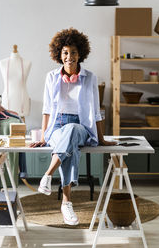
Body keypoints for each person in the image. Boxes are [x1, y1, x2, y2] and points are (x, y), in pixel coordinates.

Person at [30, 28, 116, 226]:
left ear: (81, 54)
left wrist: (101, 138)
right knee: (70, 147)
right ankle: (66, 202)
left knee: (72, 131)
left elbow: (95, 111)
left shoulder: (90, 78)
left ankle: (48, 175)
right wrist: (44, 137)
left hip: (81, 126)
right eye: (65, 52)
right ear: (59, 55)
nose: (70, 57)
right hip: (57, 125)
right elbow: (47, 110)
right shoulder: (51, 77)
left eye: (74, 52)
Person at [0, 45, 32, 117]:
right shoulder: (2, 63)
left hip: (22, 101)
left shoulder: (27, 62)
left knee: (22, 122)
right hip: (7, 101)